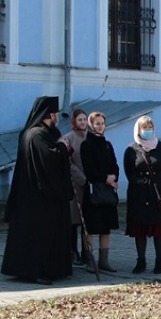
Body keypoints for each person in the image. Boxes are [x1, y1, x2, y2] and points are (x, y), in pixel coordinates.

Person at [1, 96, 73, 285]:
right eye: (56, 113)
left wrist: (61, 146)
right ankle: (35, 270)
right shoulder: (36, 134)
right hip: (37, 198)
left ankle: (53, 268)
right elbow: (48, 159)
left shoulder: (45, 132)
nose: (58, 117)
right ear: (50, 114)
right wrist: (61, 146)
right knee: (38, 236)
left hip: (41, 196)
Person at [123, 116, 161, 274]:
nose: (148, 130)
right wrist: (140, 183)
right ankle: (141, 261)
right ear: (138, 130)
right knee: (140, 228)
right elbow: (129, 171)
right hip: (138, 194)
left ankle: (159, 261)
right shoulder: (132, 149)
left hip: (157, 194)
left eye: (150, 127)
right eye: (144, 128)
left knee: (158, 228)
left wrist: (159, 185)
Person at [80, 112, 120, 273]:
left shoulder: (107, 144)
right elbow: (89, 170)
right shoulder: (86, 145)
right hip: (93, 192)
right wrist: (106, 178)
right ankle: (90, 260)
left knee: (106, 227)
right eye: (97, 123)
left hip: (108, 193)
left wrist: (114, 176)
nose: (100, 126)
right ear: (91, 125)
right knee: (90, 227)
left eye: (102, 123)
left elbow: (115, 165)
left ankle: (104, 260)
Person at [63, 108, 89, 266]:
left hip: (90, 186)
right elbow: (68, 162)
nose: (83, 122)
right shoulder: (68, 139)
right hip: (75, 185)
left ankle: (87, 252)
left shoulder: (90, 137)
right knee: (74, 220)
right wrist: (81, 177)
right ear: (73, 121)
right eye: (79, 120)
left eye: (85, 119)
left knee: (87, 221)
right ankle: (73, 251)